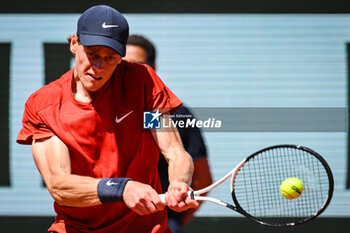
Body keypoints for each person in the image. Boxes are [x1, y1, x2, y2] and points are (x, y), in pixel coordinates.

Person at [16, 5, 198, 233]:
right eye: (92, 54)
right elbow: (59, 185)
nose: (98, 67)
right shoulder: (45, 106)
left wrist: (178, 183)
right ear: (74, 43)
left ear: (120, 57)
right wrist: (121, 188)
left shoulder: (143, 85)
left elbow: (173, 152)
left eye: (110, 58)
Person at [125, 35, 212, 233]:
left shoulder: (174, 114)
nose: (129, 72)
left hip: (161, 224)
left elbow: (202, 179)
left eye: (137, 65)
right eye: (123, 65)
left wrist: (175, 222)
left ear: (152, 69)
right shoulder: (96, 110)